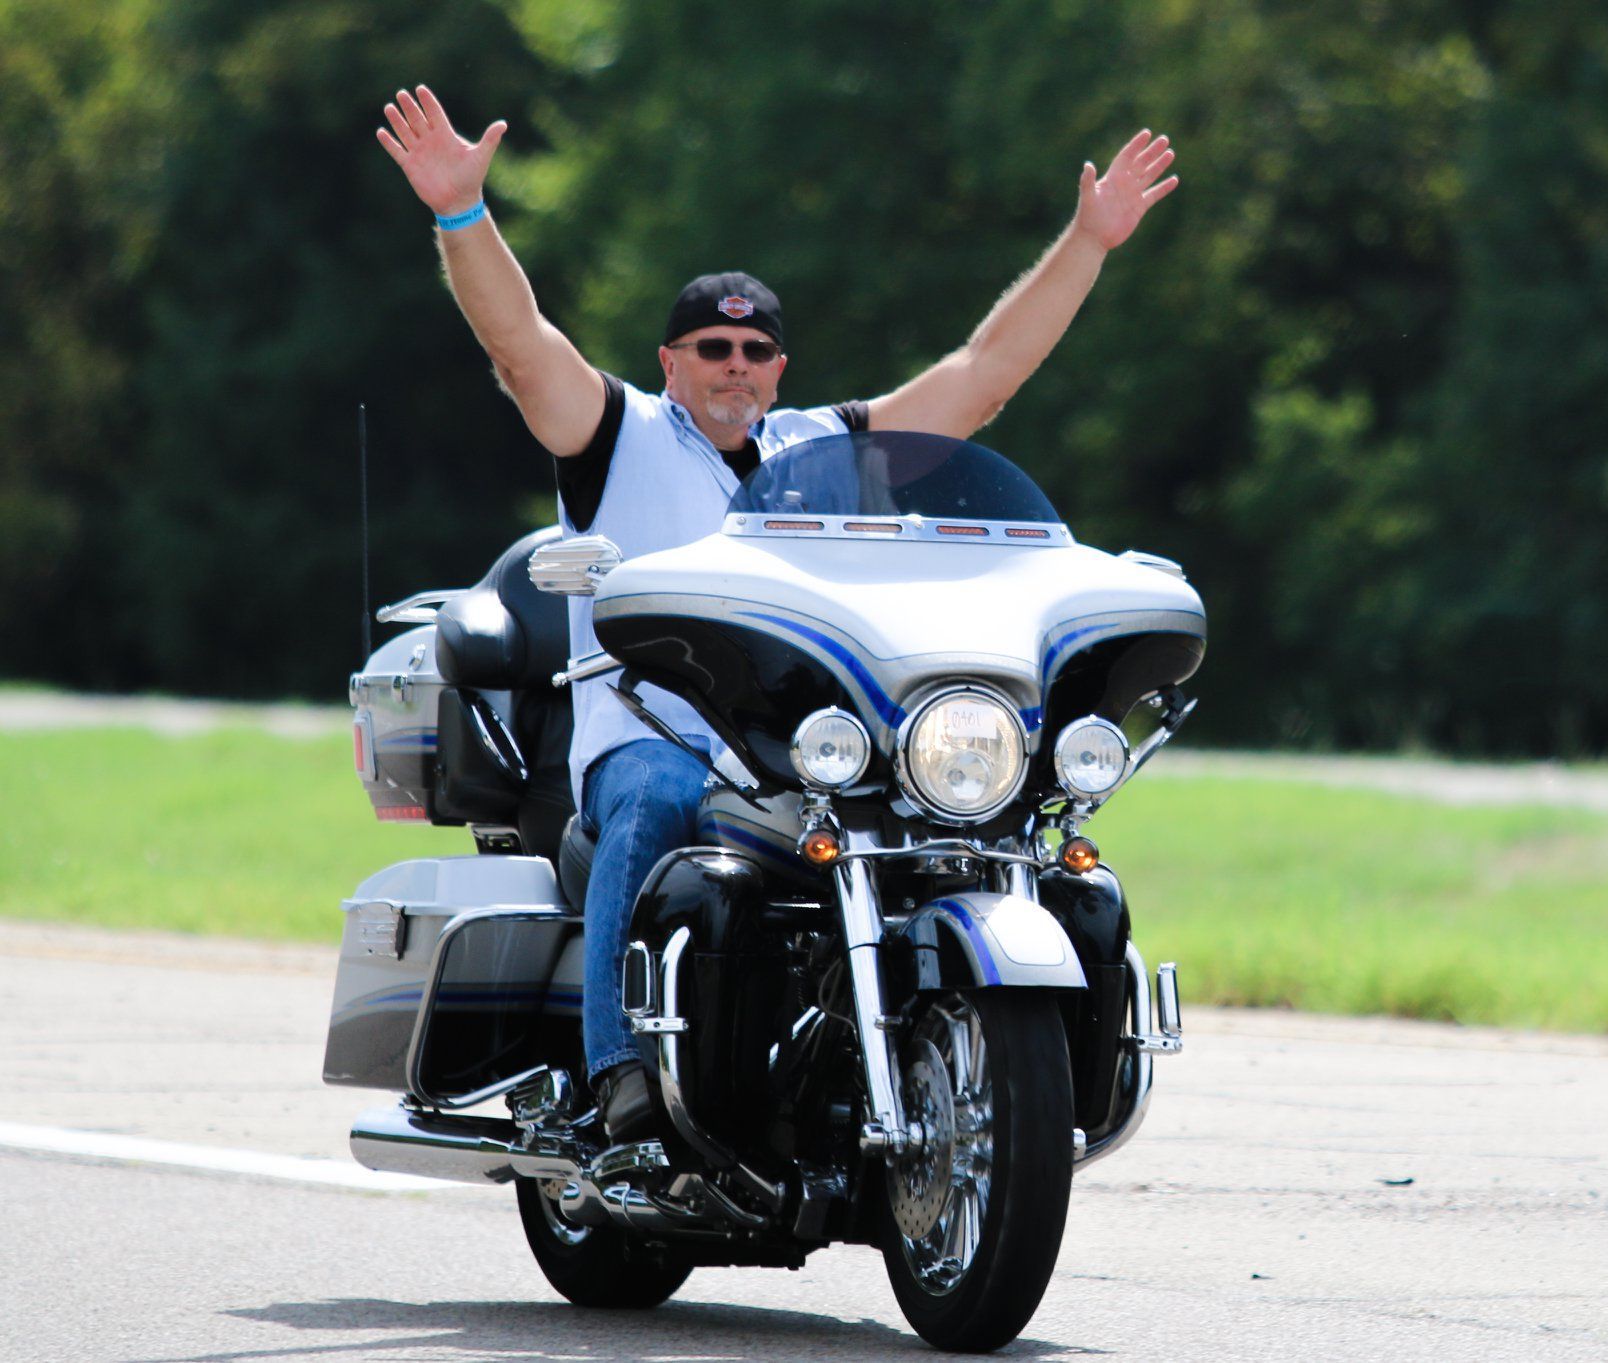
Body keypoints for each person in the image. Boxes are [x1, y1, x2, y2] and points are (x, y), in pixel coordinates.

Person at [377, 84, 1179, 1142]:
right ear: (672, 361)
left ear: (780, 369)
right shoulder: (618, 431)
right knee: (659, 793)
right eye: (712, 348)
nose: (735, 367)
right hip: (651, 733)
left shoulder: (825, 452)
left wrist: (1088, 241)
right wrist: (460, 216)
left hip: (809, 747)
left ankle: (961, 1059)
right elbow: (522, 344)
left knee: (986, 820)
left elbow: (982, 377)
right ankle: (614, 1064)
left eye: (755, 353)